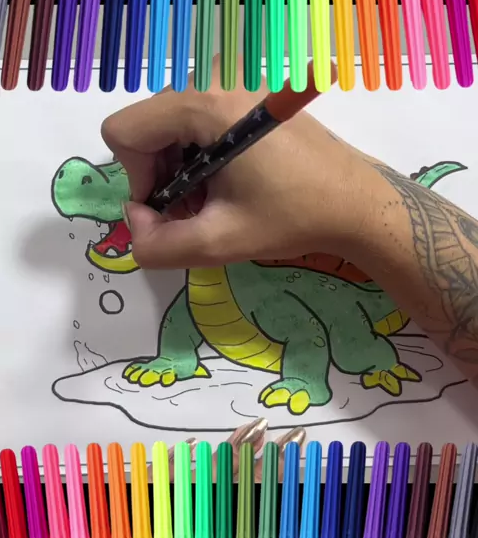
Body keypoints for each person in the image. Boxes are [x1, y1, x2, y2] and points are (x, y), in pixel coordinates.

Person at [102, 59, 478, 387]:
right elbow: (187, 316)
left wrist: (357, 204)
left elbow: (307, 331)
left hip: (343, 300)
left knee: (351, 350)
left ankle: (360, 366)